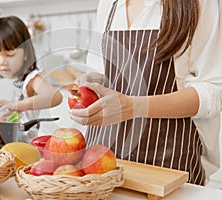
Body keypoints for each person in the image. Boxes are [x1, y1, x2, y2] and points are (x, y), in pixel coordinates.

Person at [69, 0, 222, 186]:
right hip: (104, 162)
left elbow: (213, 91)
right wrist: (94, 80)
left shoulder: (200, 3)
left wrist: (133, 107)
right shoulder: (109, 4)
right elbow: (104, 70)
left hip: (170, 161)